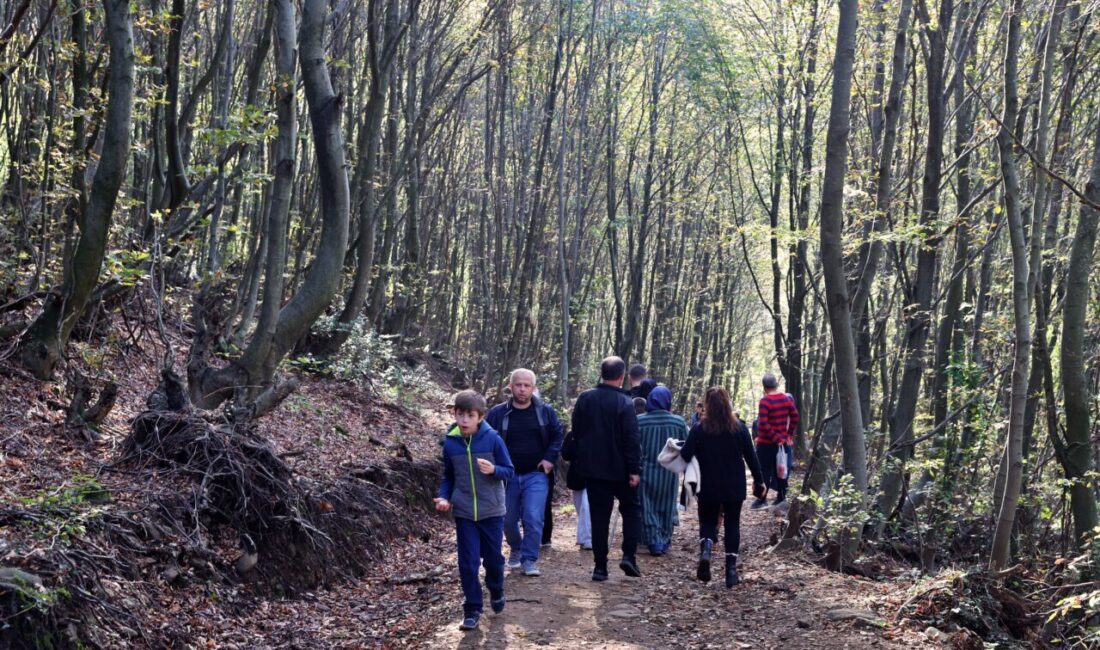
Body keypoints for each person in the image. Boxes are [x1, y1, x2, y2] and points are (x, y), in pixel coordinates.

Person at [435, 390, 515, 631]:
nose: (464, 420)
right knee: (468, 563)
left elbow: (509, 471)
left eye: (470, 415)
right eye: (460, 414)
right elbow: (449, 475)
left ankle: (497, 588)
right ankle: (472, 609)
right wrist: (443, 497)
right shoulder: (450, 442)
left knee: (493, 560)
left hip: (492, 510)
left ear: (480, 417)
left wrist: (494, 470)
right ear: (454, 414)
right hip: (464, 511)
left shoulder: (493, 440)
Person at [680, 386, 764, 588]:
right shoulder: (740, 428)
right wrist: (759, 480)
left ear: (707, 405)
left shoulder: (699, 429)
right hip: (734, 485)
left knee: (707, 521)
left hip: (707, 484)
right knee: (732, 524)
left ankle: (706, 550)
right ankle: (731, 571)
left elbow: (685, 455)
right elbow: (752, 457)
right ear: (728, 403)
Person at [485, 369, 564, 577]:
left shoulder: (545, 411)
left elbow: (558, 435)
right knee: (508, 519)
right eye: (518, 385)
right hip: (507, 477)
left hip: (536, 474)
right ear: (510, 387)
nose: (522, 389)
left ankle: (529, 559)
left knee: (533, 516)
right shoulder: (497, 413)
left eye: (526, 385)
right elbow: (484, 437)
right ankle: (516, 548)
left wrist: (549, 458)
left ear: (533, 388)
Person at [571, 356, 643, 581]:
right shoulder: (625, 403)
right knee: (631, 510)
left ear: (601, 374)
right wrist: (634, 469)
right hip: (621, 470)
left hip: (593, 469)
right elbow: (631, 438)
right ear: (622, 377)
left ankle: (600, 567)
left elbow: (577, 431)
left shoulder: (585, 398)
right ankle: (628, 555)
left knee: (599, 517)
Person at [637, 386, 688, 555]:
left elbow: (633, 447)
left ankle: (653, 541)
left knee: (647, 506)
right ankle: (664, 539)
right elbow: (687, 447)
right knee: (667, 505)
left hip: (646, 472)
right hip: (669, 473)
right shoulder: (678, 422)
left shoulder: (640, 421)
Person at [752, 372, 800, 508]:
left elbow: (763, 424)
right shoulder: (786, 399)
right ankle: (781, 497)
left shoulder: (765, 401)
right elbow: (795, 416)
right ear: (776, 385)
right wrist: (787, 435)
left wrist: (777, 438)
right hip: (782, 443)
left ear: (764, 387)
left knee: (764, 471)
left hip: (766, 443)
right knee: (781, 469)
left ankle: (762, 500)